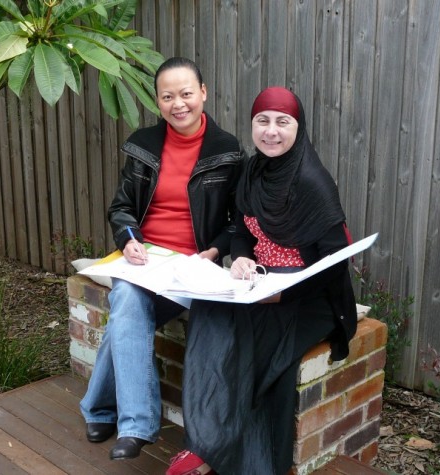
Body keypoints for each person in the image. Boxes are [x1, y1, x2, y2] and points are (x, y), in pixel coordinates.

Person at [166, 87, 358, 475]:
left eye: (282, 122)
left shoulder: (313, 183)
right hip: (260, 284)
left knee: (261, 339)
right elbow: (241, 230)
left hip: (310, 298)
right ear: (252, 125)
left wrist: (282, 292)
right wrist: (240, 259)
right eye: (262, 121)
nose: (271, 131)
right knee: (208, 313)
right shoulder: (253, 172)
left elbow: (334, 265)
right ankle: (206, 440)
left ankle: (229, 453)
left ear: (297, 127)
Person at [79, 57, 244, 460]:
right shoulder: (143, 146)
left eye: (186, 93)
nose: (179, 103)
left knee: (126, 310)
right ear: (158, 101)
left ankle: (101, 409)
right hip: (142, 261)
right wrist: (129, 237)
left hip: (190, 268)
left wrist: (214, 250)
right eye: (168, 96)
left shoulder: (228, 151)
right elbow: (121, 207)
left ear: (203, 93)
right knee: (129, 300)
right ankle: (136, 426)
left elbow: (237, 222)